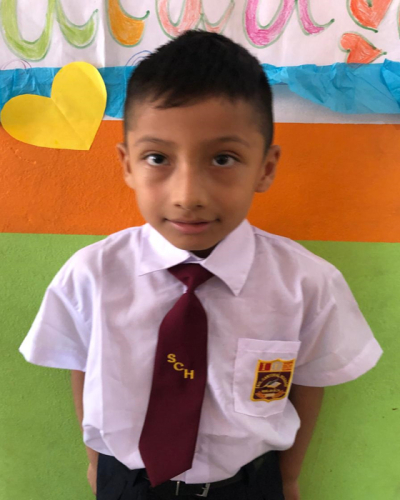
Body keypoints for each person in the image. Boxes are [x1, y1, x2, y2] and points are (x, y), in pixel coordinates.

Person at [19, 30, 383, 500]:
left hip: (248, 484)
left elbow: (310, 383)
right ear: (127, 165)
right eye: (158, 158)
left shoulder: (306, 284)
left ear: (266, 168)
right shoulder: (91, 274)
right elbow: (82, 368)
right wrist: (95, 462)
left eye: (223, 159)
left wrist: (289, 477)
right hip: (127, 481)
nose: (188, 195)